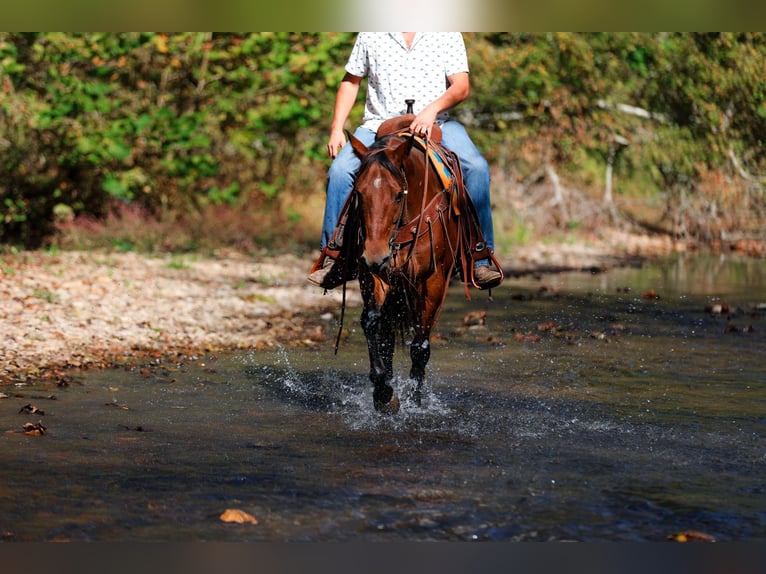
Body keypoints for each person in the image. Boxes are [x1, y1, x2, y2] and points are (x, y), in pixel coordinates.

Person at [308, 32, 502, 290]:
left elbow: (461, 86)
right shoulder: (370, 32)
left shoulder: (446, 32)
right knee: (340, 172)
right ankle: (334, 257)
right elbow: (351, 81)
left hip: (437, 122)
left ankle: (479, 256)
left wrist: (430, 111)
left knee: (476, 168)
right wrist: (336, 128)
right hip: (378, 124)